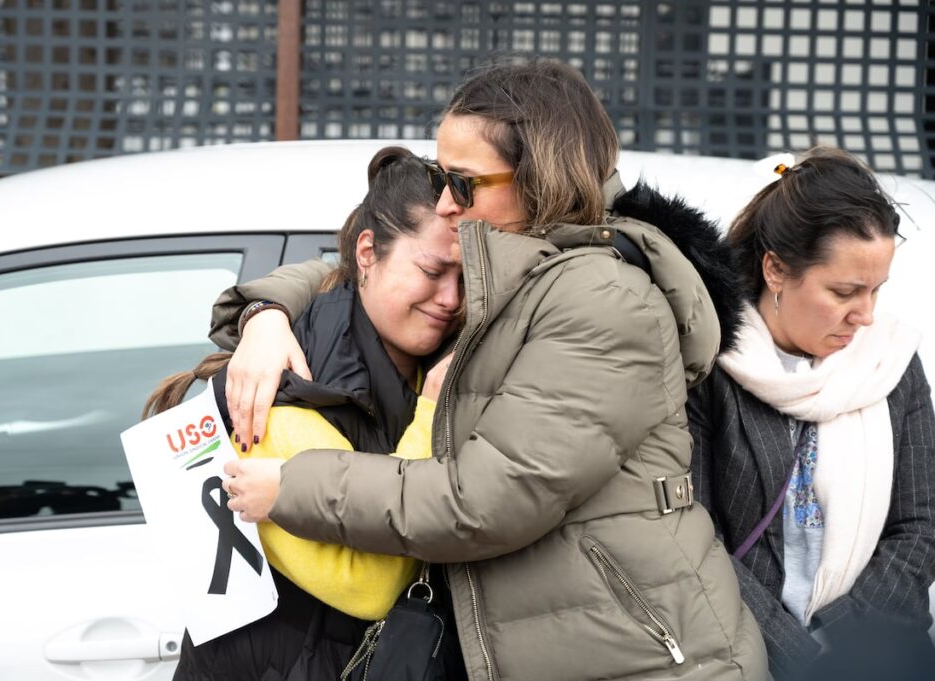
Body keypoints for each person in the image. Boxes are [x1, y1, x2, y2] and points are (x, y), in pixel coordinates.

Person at [212, 57, 767, 681]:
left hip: (637, 657)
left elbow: (487, 500)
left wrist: (290, 488)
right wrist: (266, 312)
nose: (447, 203)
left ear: (539, 178)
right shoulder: (527, 274)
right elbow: (369, 268)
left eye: (464, 182)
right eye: (441, 177)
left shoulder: (600, 298)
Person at [144, 146, 467, 681]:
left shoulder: (415, 360)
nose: (451, 298)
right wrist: (435, 406)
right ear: (367, 253)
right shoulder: (275, 397)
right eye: (433, 271)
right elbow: (372, 583)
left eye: (466, 276)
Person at [686, 147, 935, 681]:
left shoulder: (890, 361)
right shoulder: (708, 366)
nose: (865, 315)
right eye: (845, 291)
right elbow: (690, 533)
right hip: (741, 657)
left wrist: (844, 639)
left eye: (876, 290)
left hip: (877, 655)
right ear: (775, 268)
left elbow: (920, 524)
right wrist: (794, 653)